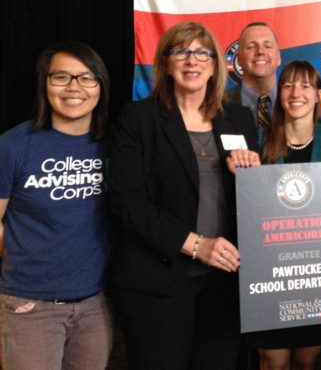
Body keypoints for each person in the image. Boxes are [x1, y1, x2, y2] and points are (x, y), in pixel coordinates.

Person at [108, 22, 258, 370]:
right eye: (181, 51)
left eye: (202, 52)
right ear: (165, 62)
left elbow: (250, 201)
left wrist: (252, 173)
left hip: (224, 283)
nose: (192, 61)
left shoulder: (238, 119)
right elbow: (127, 203)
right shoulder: (138, 118)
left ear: (215, 64)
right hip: (156, 283)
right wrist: (195, 244)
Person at [228, 60, 321, 370]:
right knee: (272, 360)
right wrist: (236, 172)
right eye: (287, 85)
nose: (295, 92)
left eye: (305, 85)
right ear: (279, 94)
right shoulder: (257, 141)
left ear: (318, 95)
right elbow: (241, 206)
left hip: (316, 276)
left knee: (305, 360)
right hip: (270, 277)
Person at [0, 41, 112, 369]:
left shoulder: (115, 144)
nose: (74, 87)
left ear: (100, 87)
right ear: (44, 84)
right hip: (29, 306)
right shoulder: (13, 146)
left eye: (86, 77)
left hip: (96, 305)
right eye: (61, 77)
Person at [228, 22, 282, 140]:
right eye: (251, 47)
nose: (260, 51)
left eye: (267, 46)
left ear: (279, 58)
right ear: (239, 60)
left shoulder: (300, 104)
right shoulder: (218, 106)